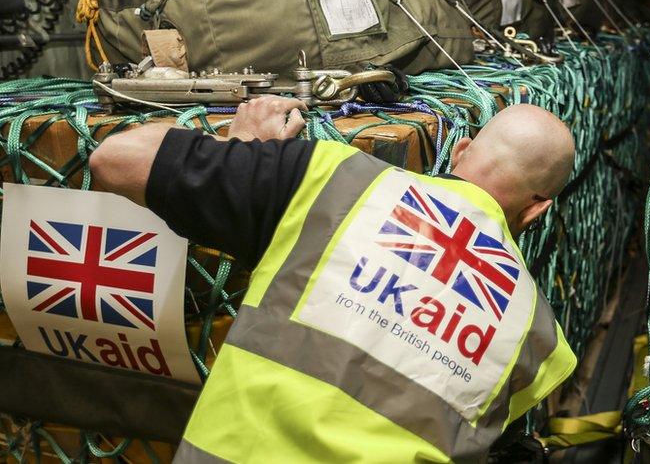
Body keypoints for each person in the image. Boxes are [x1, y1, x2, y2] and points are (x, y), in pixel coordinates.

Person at [90, 96, 578, 463]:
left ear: (462, 150)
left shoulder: (330, 177)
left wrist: (238, 152)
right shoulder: (539, 337)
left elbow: (116, 159)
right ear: (538, 209)